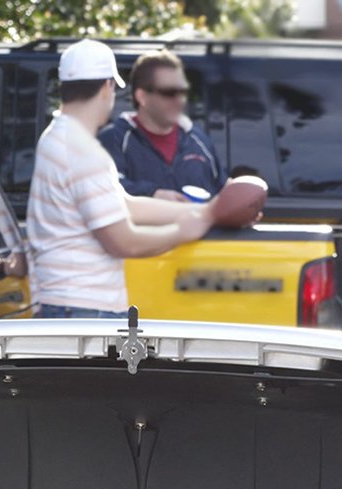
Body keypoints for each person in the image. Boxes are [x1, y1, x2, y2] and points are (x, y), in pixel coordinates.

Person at [26, 39, 211, 319]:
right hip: (84, 309)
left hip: (66, 305)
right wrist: (183, 231)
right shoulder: (83, 152)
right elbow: (124, 242)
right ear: (107, 87)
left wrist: (203, 211)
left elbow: (122, 203)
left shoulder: (55, 138)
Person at [98, 49, 225, 202]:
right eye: (170, 92)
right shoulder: (113, 140)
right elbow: (102, 193)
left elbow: (221, 193)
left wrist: (240, 207)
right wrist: (153, 194)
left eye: (184, 92)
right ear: (142, 97)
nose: (180, 100)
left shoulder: (199, 141)